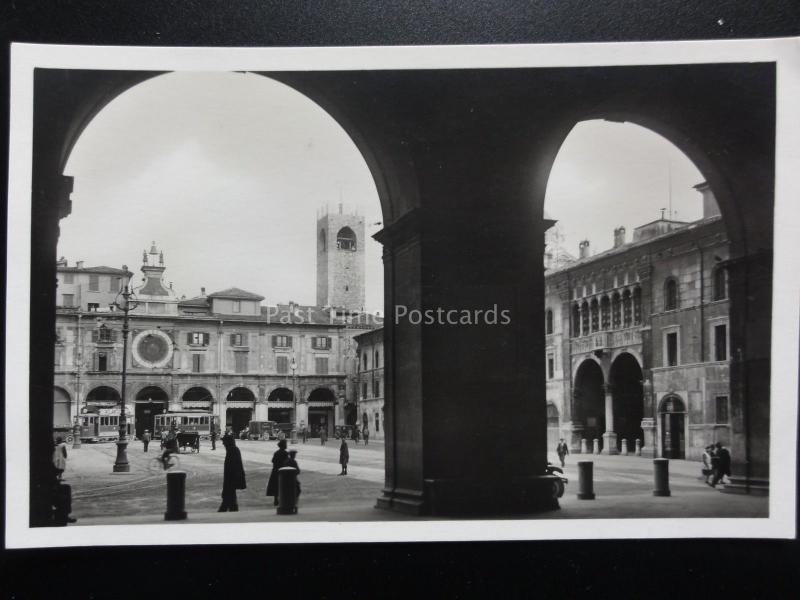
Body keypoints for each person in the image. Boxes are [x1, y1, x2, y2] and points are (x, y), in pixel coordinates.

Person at [218, 433, 246, 512]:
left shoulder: (232, 450)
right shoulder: (233, 449)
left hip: (231, 479)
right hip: (231, 479)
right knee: (231, 499)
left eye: (224, 442)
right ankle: (233, 510)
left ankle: (229, 511)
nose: (223, 443)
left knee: (227, 499)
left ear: (228, 442)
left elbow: (232, 468)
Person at [266, 439, 289, 506]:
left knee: (276, 486)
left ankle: (276, 500)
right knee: (283, 485)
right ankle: (284, 499)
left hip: (276, 471)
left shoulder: (276, 452)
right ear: (283, 445)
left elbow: (273, 461)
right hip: (283, 471)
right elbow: (287, 462)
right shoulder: (285, 453)